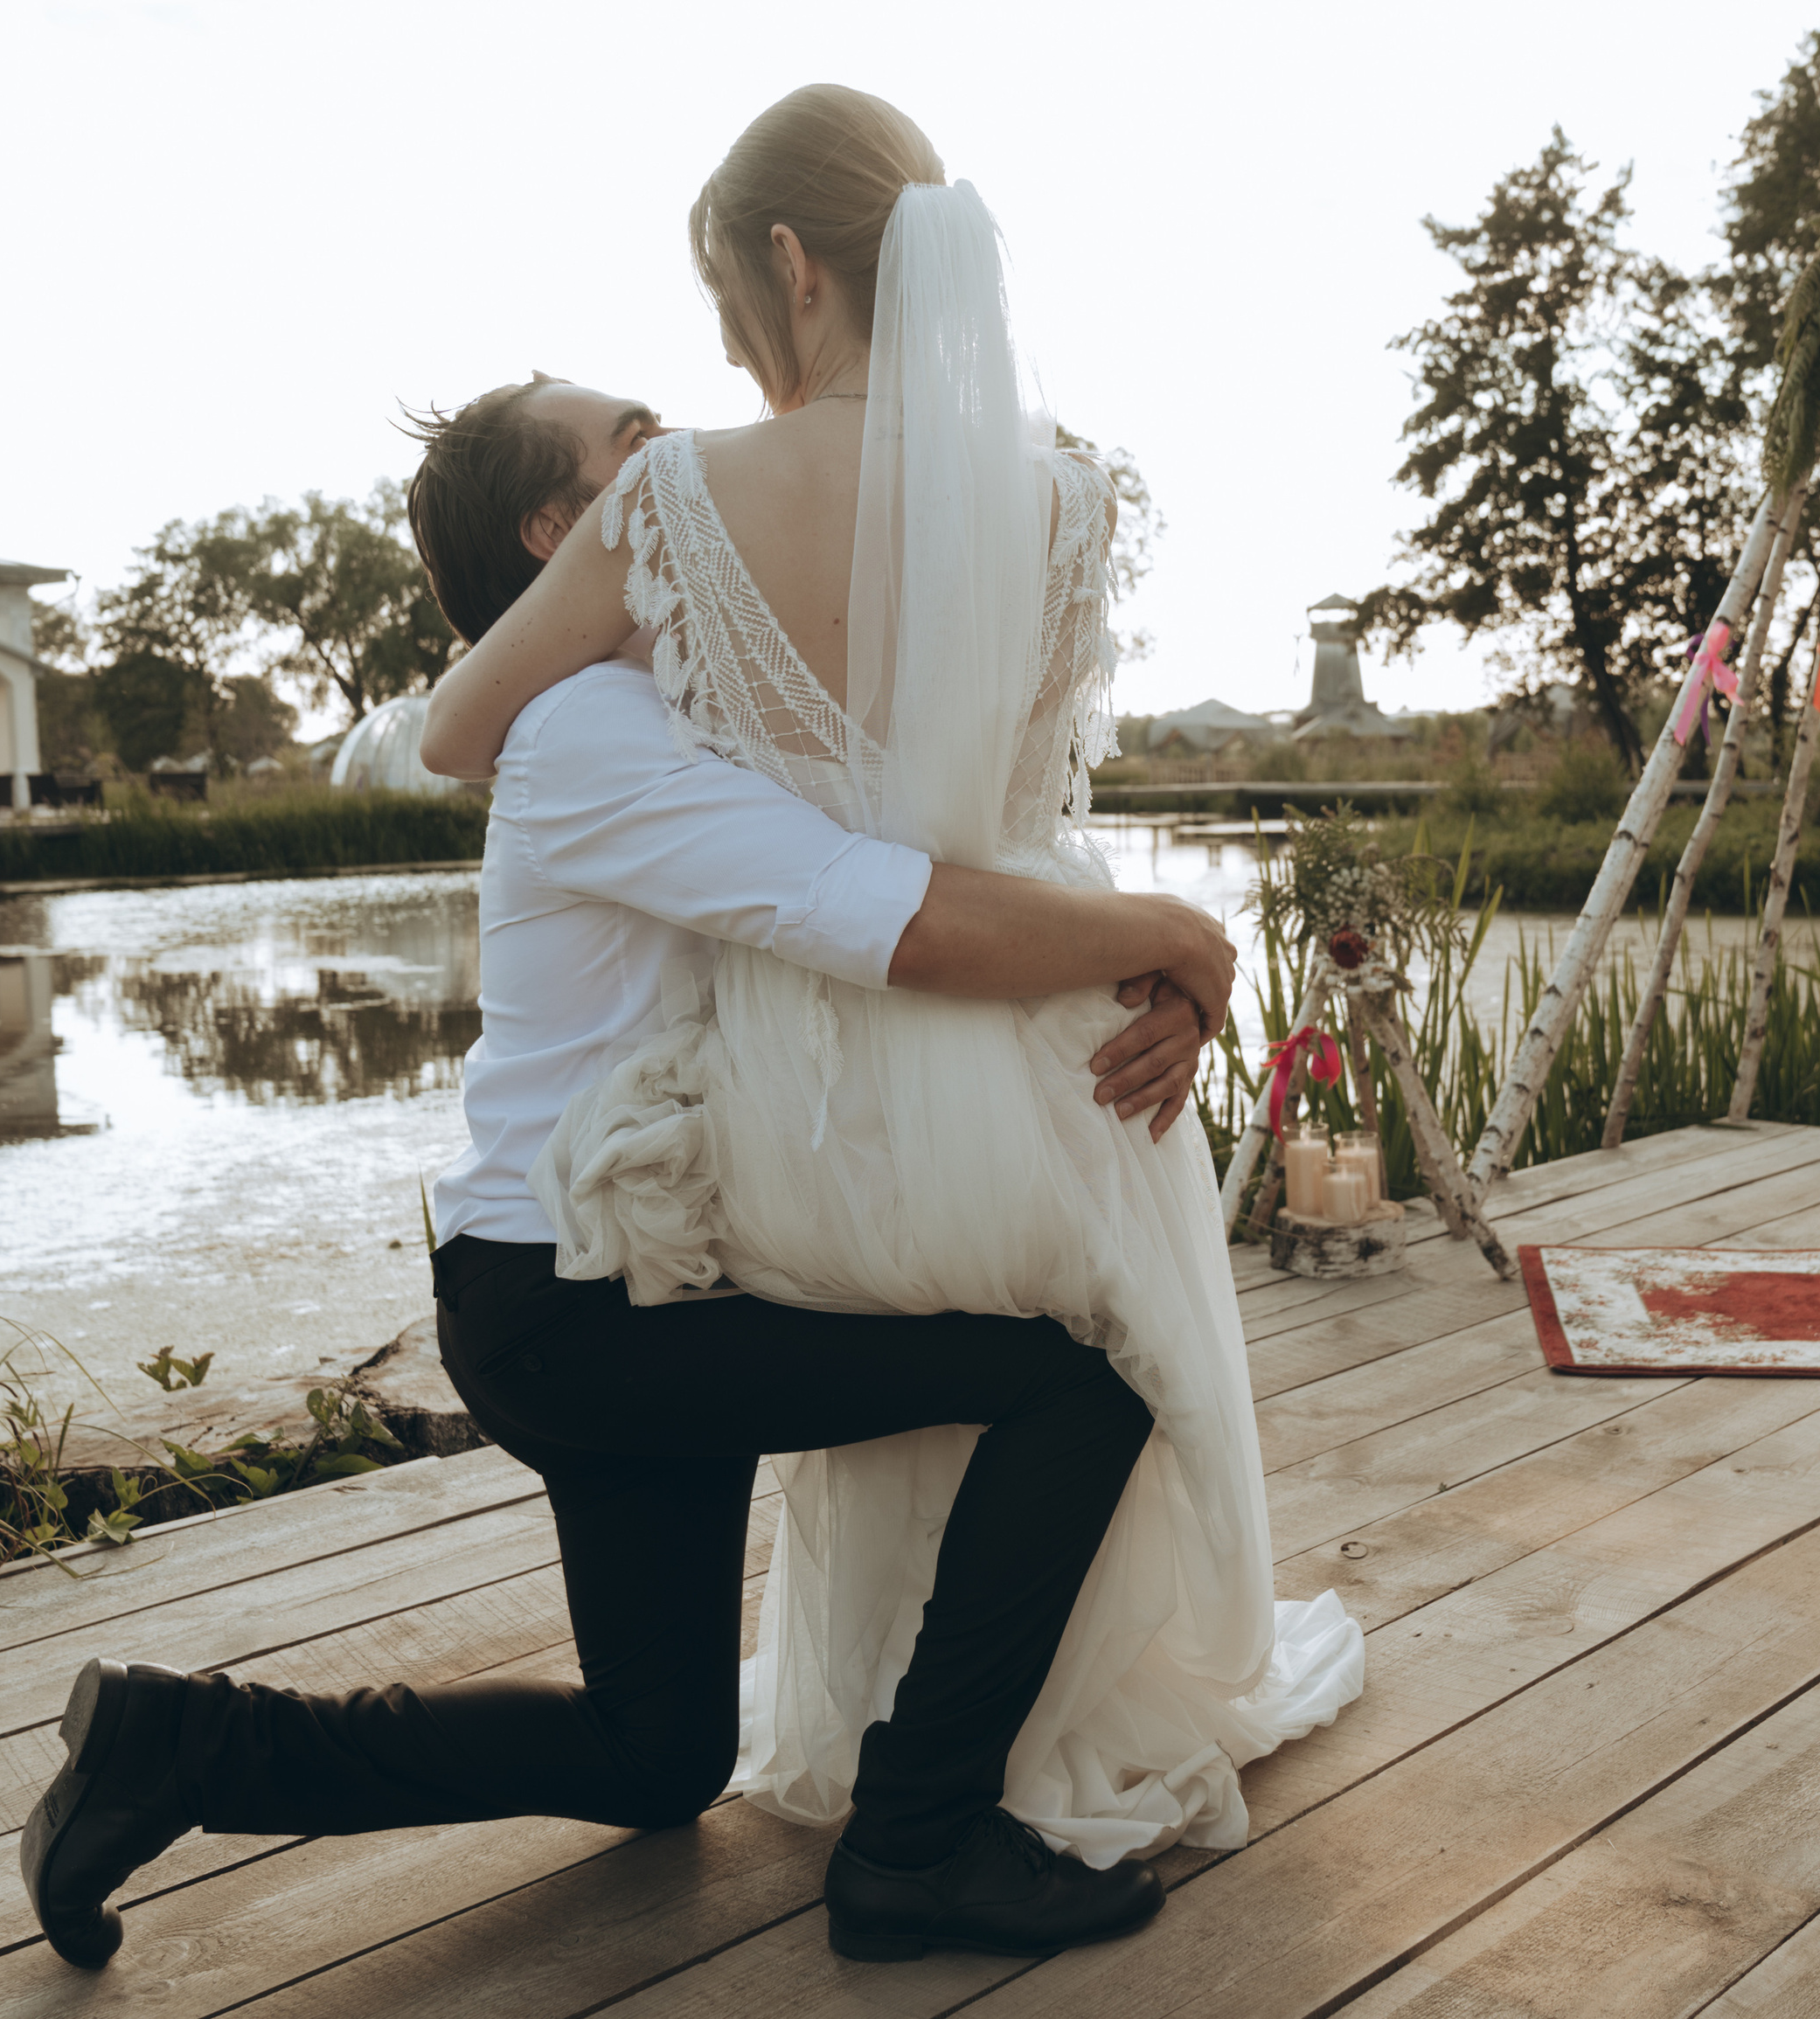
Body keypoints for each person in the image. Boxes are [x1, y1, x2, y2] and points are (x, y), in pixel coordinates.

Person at [21, 373, 1240, 1974]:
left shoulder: (673, 707)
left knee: (658, 1757)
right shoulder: (592, 734)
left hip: (627, 1269)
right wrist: (1173, 931)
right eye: (637, 450)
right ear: (565, 529)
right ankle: (920, 1838)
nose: (687, 467)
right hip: (575, 1303)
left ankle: (175, 1747)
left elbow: (922, 842)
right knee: (1078, 1383)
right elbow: (881, 912)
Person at [420, 92, 1364, 1890]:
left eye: (726, 307)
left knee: (920, 1405)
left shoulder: (677, 512)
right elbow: (1004, 836)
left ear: (790, 266)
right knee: (1086, 1366)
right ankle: (970, 1781)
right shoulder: (1064, 496)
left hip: (800, 1096)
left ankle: (906, 1771)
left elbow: (459, 725)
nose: (721, 364)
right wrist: (1163, 945)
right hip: (1046, 1040)